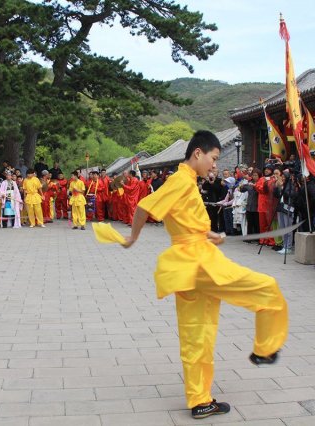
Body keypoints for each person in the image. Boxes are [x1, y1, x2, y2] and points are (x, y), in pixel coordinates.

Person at [120, 130, 288, 419]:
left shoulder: (185, 181)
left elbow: (184, 220)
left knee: (197, 332)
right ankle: (265, 349)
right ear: (198, 153)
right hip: (198, 262)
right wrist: (132, 238)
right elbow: (143, 207)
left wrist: (210, 233)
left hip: (189, 265)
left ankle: (200, 400)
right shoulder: (181, 181)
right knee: (266, 287)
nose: (214, 165)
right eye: (213, 158)